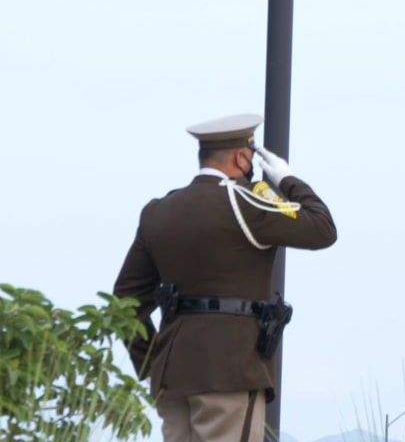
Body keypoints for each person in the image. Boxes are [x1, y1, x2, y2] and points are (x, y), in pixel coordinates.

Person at [113, 113, 338, 442]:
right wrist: (287, 180)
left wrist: (151, 362)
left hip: (172, 376)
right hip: (231, 370)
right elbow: (322, 228)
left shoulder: (158, 211)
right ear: (241, 157)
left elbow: (124, 300)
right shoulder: (245, 204)